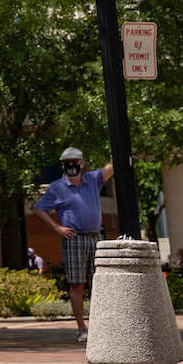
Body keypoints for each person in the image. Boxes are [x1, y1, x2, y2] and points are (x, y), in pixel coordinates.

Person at [29, 146, 115, 343]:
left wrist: (121, 150)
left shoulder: (92, 180)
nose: (71, 166)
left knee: (101, 283)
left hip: (95, 237)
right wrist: (57, 228)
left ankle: (103, 327)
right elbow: (39, 209)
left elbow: (111, 167)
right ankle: (81, 328)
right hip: (73, 238)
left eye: (75, 162)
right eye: (67, 163)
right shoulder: (57, 187)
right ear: (63, 165)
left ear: (82, 163)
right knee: (77, 284)